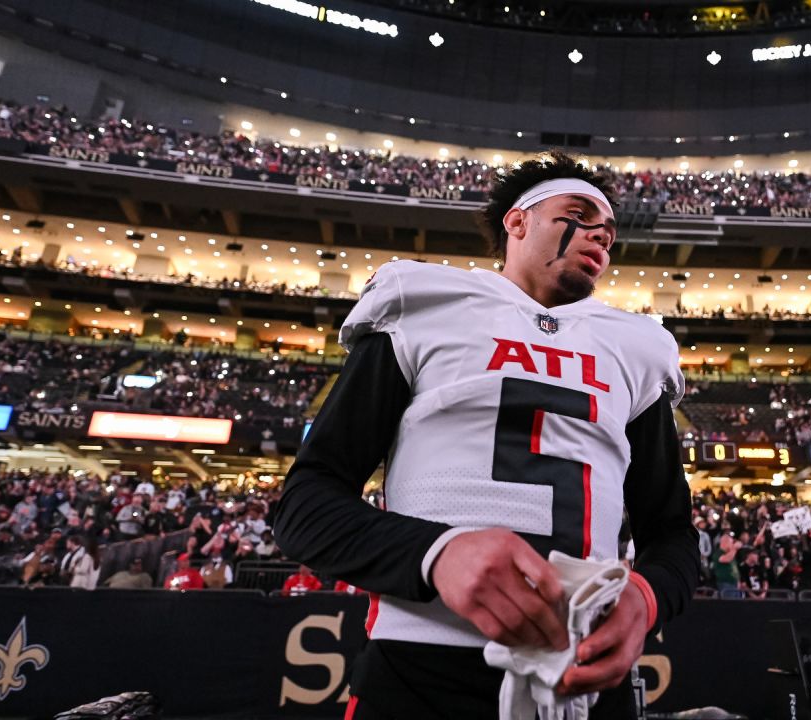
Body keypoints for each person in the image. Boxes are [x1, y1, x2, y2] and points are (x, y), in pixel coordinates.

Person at [274, 152, 699, 719]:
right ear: (517, 222)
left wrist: (644, 601)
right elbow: (306, 506)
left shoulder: (635, 347)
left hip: (583, 680)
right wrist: (439, 553)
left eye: (610, 229)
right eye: (578, 213)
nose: (601, 232)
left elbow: (671, 535)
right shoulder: (425, 305)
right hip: (421, 669)